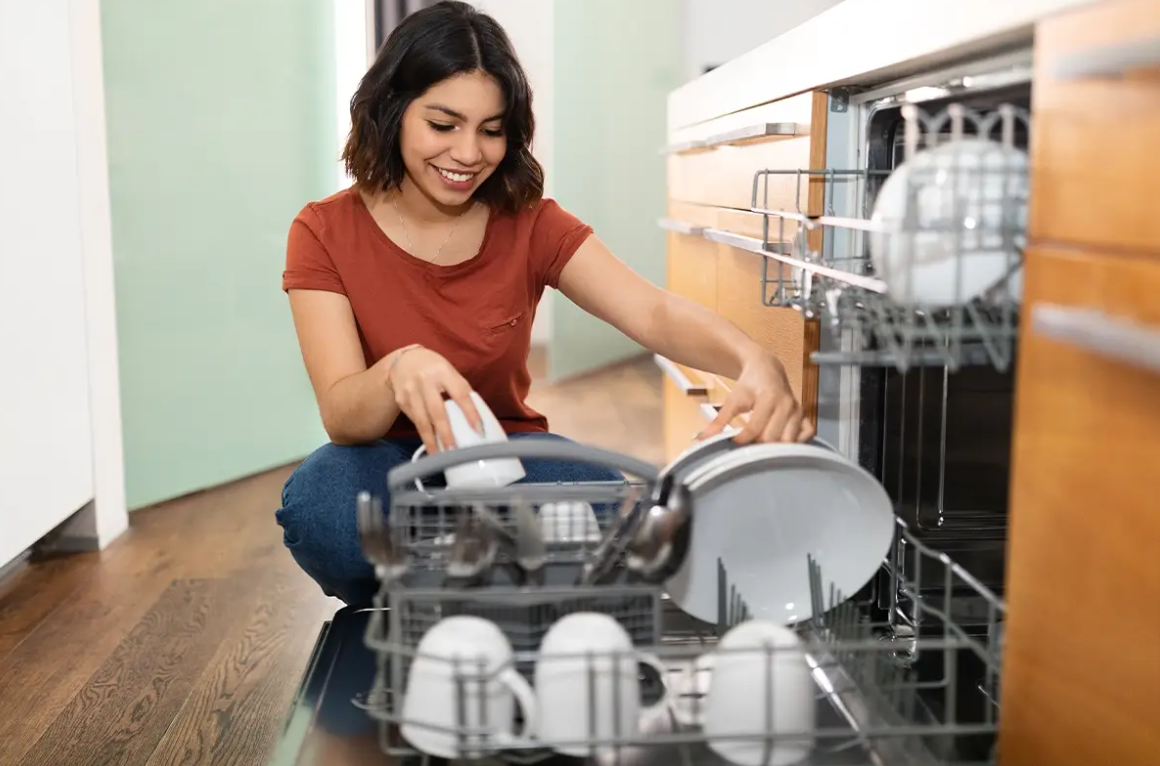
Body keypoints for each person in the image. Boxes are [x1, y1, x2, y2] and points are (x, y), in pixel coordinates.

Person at [276, 0, 813, 607]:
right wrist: (398, 370)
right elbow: (344, 415)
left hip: (505, 457)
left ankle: (456, 579)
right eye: (443, 124)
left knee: (608, 504)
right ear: (394, 111)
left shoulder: (530, 224)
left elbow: (651, 311)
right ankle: (450, 585)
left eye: (492, 129)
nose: (468, 153)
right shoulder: (323, 230)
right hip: (382, 463)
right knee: (324, 508)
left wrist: (752, 360)